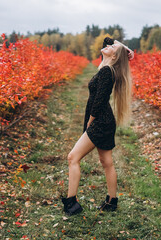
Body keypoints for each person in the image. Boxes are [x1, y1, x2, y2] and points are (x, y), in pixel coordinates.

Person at [61, 37, 134, 216]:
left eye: (112, 47)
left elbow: (99, 102)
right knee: (106, 162)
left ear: (115, 56)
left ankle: (72, 203)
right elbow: (106, 40)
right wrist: (125, 48)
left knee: (73, 158)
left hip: (101, 122)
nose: (108, 45)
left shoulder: (107, 72)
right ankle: (112, 201)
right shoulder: (106, 67)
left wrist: (90, 122)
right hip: (105, 121)